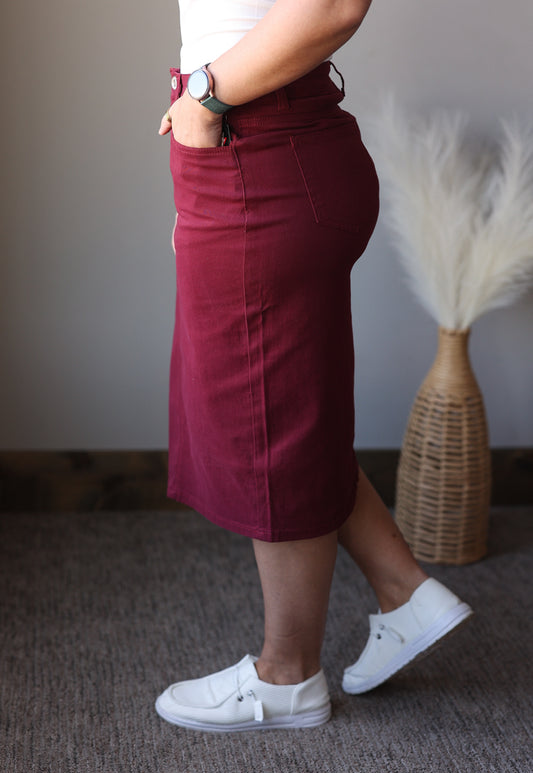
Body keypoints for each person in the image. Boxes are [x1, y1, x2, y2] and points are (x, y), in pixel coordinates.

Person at [155, 0, 473, 732]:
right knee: (285, 403)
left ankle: (287, 676)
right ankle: (405, 592)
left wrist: (202, 97)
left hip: (257, 144)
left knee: (268, 421)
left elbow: (330, 5)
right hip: (255, 143)